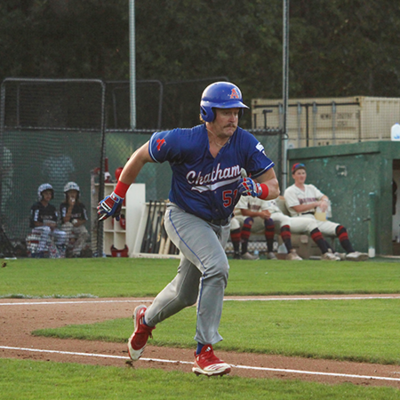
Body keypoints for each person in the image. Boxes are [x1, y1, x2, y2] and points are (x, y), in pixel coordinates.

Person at [97, 81, 280, 376]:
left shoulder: (244, 142)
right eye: (226, 112)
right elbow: (140, 155)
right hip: (183, 217)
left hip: (217, 224)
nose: (233, 118)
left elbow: (274, 186)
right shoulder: (182, 140)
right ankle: (204, 351)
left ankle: (145, 320)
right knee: (218, 267)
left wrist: (257, 188)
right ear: (207, 112)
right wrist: (118, 194)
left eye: (236, 111)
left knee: (185, 295)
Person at [284, 163, 368, 261]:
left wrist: (323, 201)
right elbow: (297, 208)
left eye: (303, 173)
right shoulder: (290, 191)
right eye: (298, 173)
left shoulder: (311, 188)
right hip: (300, 218)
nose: (301, 175)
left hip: (316, 218)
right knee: (312, 225)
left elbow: (324, 196)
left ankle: (351, 253)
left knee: (340, 228)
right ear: (293, 176)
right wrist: (316, 204)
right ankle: (327, 253)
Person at [230, 195, 302, 260]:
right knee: (247, 221)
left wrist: (264, 214)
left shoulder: (260, 191)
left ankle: (270, 251)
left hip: (255, 217)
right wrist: (260, 214)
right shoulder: (244, 192)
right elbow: (244, 212)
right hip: (240, 217)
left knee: (269, 221)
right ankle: (242, 252)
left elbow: (266, 211)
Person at [29, 183, 67, 258]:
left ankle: (58, 251)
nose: (48, 196)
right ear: (41, 194)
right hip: (37, 229)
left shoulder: (52, 208)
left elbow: (56, 222)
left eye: (50, 194)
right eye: (46, 194)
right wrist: (47, 224)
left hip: (49, 229)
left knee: (63, 234)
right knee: (46, 229)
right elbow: (35, 222)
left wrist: (53, 225)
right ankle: (40, 251)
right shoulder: (36, 206)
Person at [60, 182, 90, 258]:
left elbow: (84, 219)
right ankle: (65, 249)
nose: (72, 195)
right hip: (67, 225)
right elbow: (65, 220)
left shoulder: (81, 206)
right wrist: (70, 206)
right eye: (70, 193)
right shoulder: (63, 206)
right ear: (66, 194)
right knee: (68, 226)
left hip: (77, 225)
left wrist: (79, 222)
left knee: (84, 233)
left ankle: (75, 252)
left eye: (74, 192)